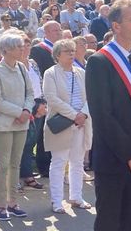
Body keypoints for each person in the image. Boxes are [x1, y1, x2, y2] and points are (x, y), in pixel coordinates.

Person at [85, 0, 131, 231]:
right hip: (114, 159)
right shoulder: (99, 61)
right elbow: (103, 115)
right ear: (116, 26)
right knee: (110, 222)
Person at [0, 32, 35, 221]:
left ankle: (13, 202)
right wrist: (20, 113)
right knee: (4, 164)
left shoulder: (22, 69)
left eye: (22, 46)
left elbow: (30, 93)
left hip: (21, 123)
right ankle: (0, 205)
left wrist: (26, 110)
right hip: (3, 125)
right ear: (5, 50)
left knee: (15, 163)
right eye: (18, 46)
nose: (22, 49)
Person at [43, 39, 92, 213]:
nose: (71, 54)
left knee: (77, 162)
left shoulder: (81, 72)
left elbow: (90, 97)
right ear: (57, 55)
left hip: (81, 124)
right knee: (58, 162)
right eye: (67, 51)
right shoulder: (51, 73)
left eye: (72, 50)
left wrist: (83, 115)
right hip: (63, 124)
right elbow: (51, 98)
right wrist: (74, 115)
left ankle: (76, 197)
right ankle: (57, 201)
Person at [30, 20, 62, 176]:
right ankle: (43, 165)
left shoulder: (60, 49)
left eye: (60, 30)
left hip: (59, 95)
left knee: (55, 131)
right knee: (43, 132)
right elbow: (40, 73)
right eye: (55, 30)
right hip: (46, 95)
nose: (59, 33)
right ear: (47, 33)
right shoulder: (38, 50)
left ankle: (53, 162)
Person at [18, 35, 45, 191]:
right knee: (22, 142)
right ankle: (21, 175)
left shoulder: (33, 63)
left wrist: (42, 104)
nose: (26, 48)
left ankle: (28, 174)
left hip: (37, 105)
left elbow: (40, 83)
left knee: (31, 142)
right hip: (23, 106)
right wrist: (30, 108)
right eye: (22, 45)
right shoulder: (14, 65)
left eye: (28, 45)